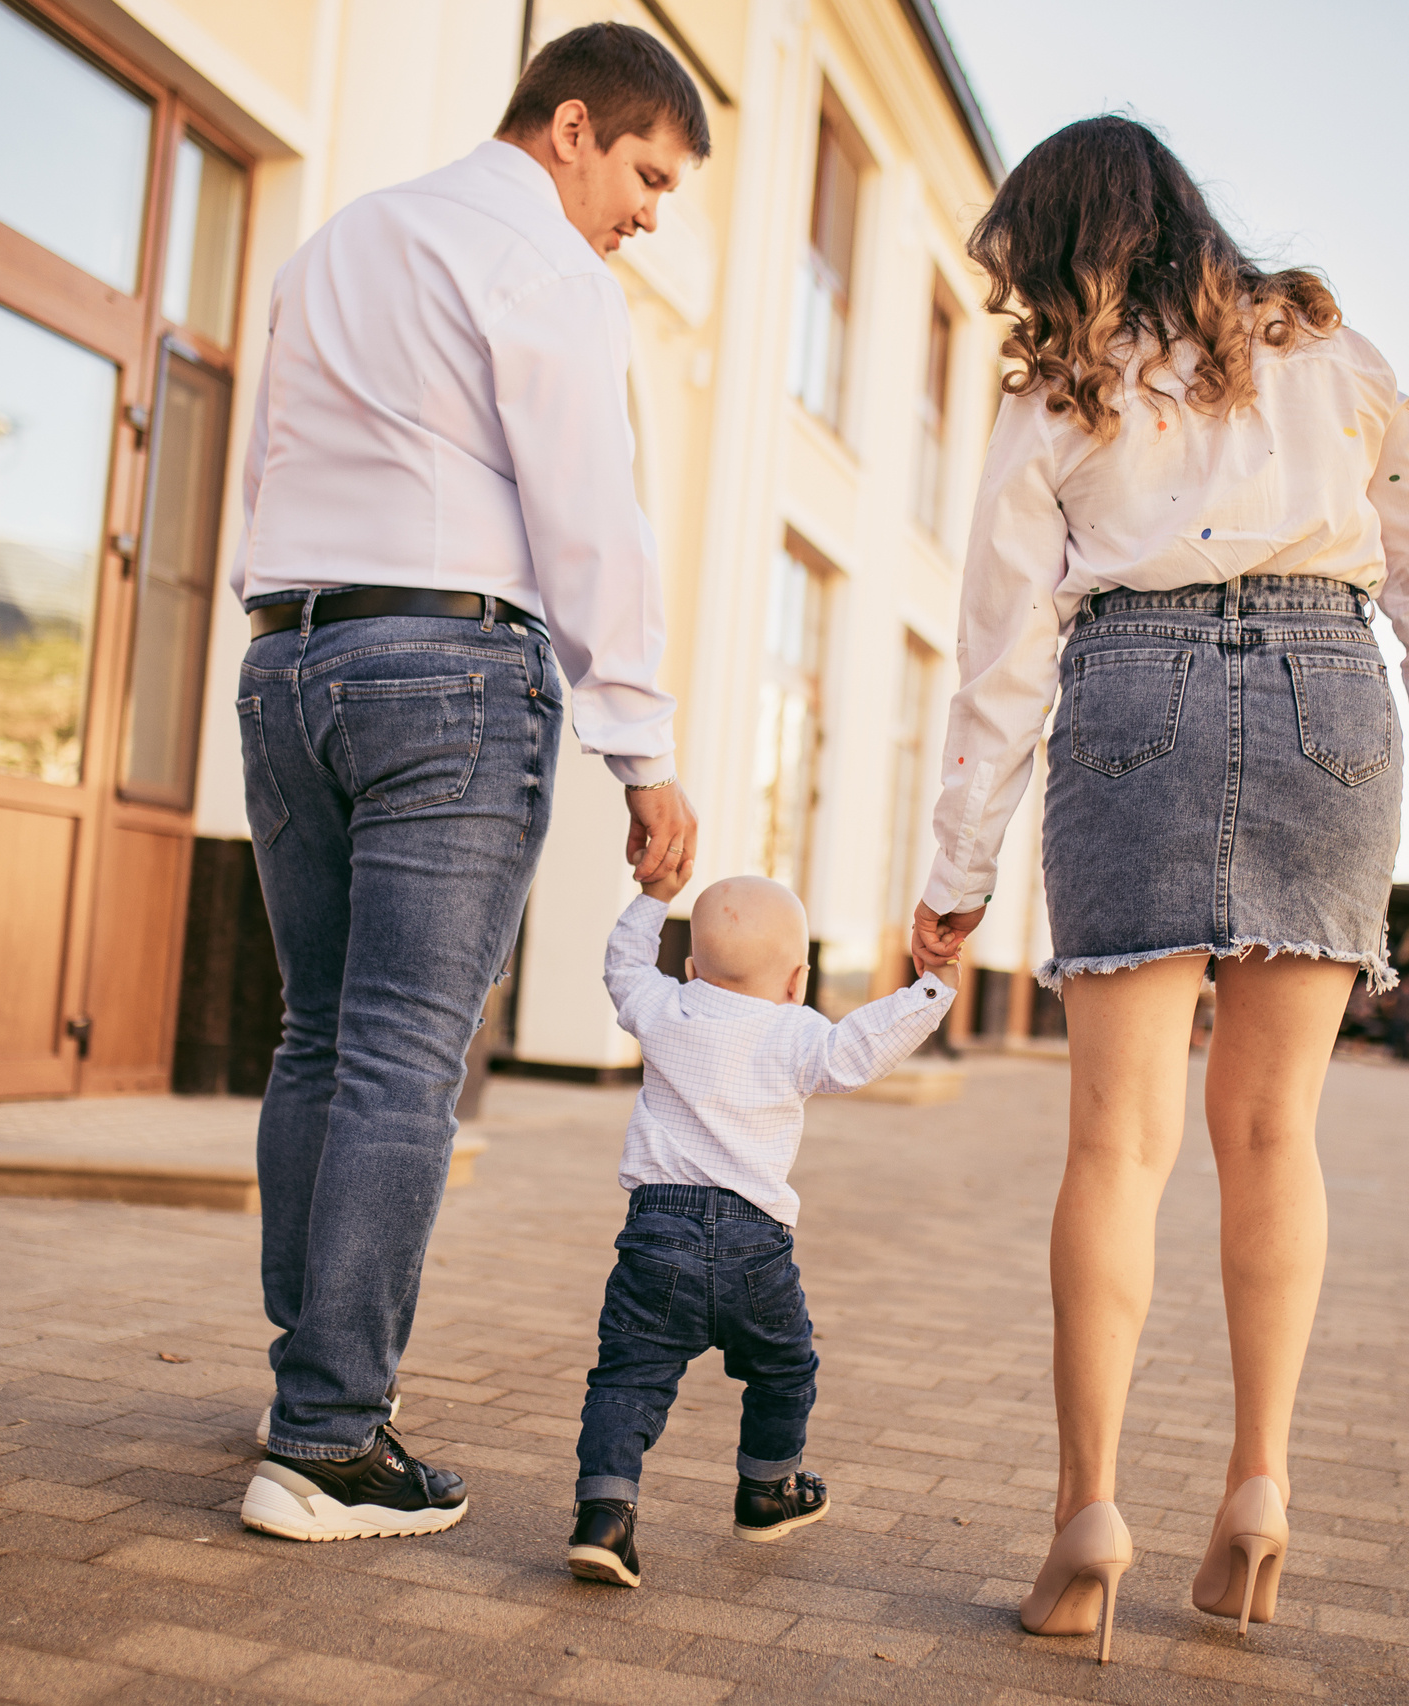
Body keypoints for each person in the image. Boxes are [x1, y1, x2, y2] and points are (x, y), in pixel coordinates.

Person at [911, 116, 1409, 1659]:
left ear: (1066, 250)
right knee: (1272, 1129)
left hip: (1134, 691)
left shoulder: (1060, 393)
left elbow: (1001, 654)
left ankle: (1088, 1514)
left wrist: (954, 868)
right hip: (1329, 694)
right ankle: (1257, 1488)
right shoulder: (1340, 356)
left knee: (1118, 1136)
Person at [232, 23, 708, 1544]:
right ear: (569, 127)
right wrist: (645, 745)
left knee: (320, 1039)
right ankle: (325, 1440)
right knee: (396, 1058)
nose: (649, 214)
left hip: (288, 658)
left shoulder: (342, 240)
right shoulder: (545, 270)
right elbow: (592, 518)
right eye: (645, 173)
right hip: (446, 671)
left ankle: (305, 1388)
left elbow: (270, 462)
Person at [566, 871, 956, 1588]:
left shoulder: (663, 1006)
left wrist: (654, 895)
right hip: (756, 1250)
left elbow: (622, 964)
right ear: (797, 979)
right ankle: (767, 1489)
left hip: (656, 1236)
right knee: (783, 1371)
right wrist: (932, 987)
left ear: (690, 968)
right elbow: (864, 1046)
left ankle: (604, 1517)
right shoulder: (797, 1030)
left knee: (628, 1375)